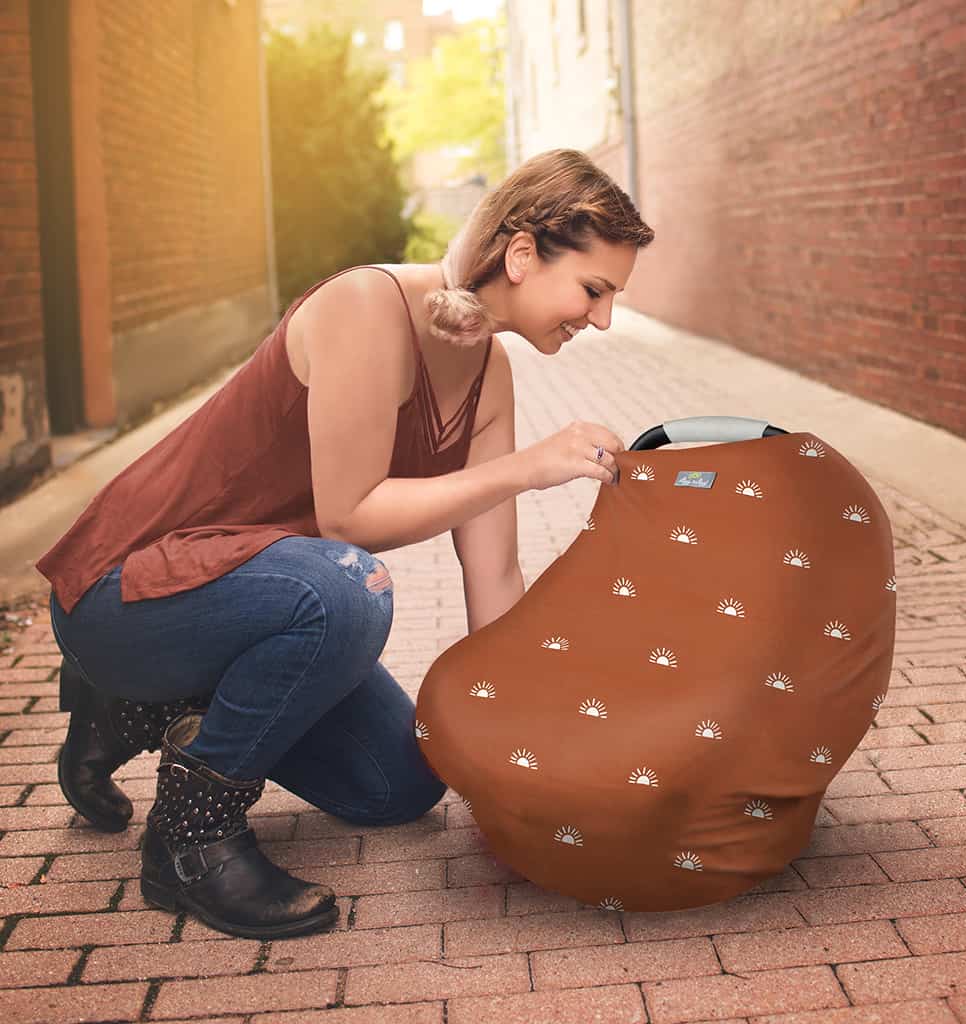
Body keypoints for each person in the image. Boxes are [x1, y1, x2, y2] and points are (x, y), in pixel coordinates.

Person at [36, 148, 656, 939]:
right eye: (594, 290)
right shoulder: (369, 307)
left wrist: (529, 733)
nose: (600, 319)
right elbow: (351, 517)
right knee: (348, 589)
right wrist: (528, 469)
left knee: (398, 787)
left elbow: (494, 570)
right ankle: (190, 841)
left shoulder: (488, 375)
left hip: (245, 596)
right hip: (125, 591)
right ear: (524, 253)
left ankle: (126, 710)